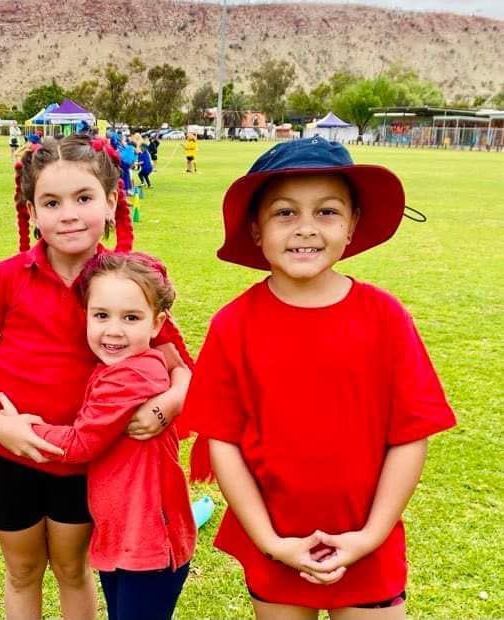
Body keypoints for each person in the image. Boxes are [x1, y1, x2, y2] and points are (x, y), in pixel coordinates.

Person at [183, 137, 456, 618]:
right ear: (256, 229)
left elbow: (410, 435)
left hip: (369, 545)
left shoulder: (385, 318)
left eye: (327, 212)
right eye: (284, 213)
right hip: (276, 544)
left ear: (352, 225)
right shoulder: (234, 325)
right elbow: (221, 442)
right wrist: (268, 541)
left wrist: (370, 536)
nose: (305, 228)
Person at [0, 134, 192, 620]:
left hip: (87, 459)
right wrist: (1, 427)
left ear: (110, 201)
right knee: (21, 571)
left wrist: (165, 407)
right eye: (51, 202)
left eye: (83, 199)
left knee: (72, 568)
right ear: (32, 210)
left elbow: (181, 368)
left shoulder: (128, 280)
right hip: (7, 453)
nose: (69, 215)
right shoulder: (6, 277)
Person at [18, 252, 196, 620]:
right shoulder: (128, 367)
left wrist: (22, 428)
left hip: (147, 545)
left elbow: (80, 444)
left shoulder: (130, 376)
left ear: (156, 323)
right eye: (101, 316)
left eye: (130, 318)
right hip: (126, 538)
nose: (113, 330)